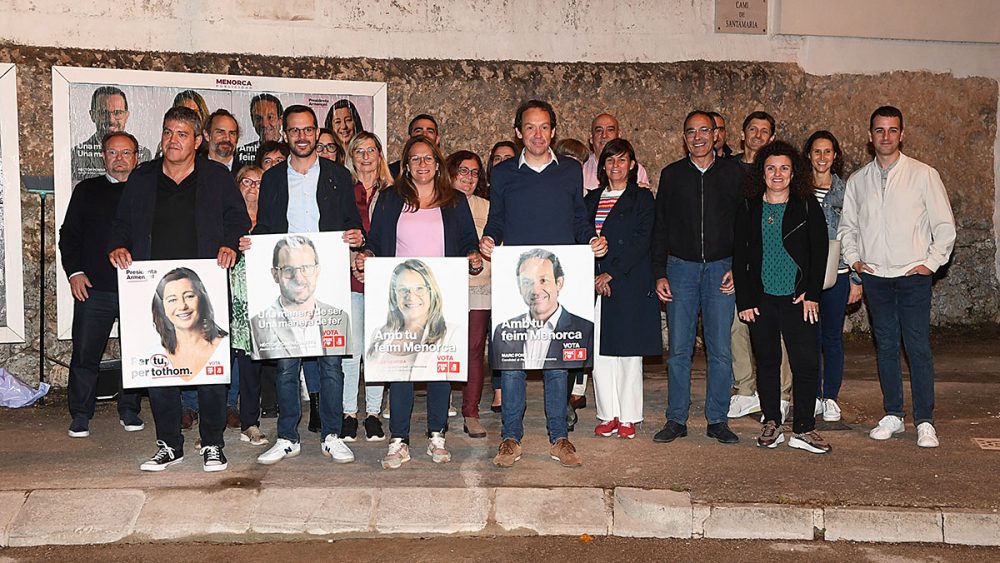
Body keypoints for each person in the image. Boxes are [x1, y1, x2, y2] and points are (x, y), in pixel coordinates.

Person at [109, 105, 250, 472]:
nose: (173, 140)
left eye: (182, 134)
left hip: (205, 285)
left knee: (210, 368)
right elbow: (121, 222)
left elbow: (237, 218)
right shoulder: (142, 178)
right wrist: (118, 246)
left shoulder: (217, 178)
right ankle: (169, 444)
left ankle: (214, 444)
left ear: (199, 141)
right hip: (153, 288)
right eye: (168, 132)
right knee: (160, 367)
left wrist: (231, 244)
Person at [481, 99, 608, 468]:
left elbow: (578, 220)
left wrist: (592, 239)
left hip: (556, 280)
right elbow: (497, 220)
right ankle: (510, 438)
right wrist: (489, 238)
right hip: (516, 283)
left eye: (544, 127)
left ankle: (559, 437)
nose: (537, 134)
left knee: (557, 362)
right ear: (518, 132)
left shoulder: (570, 171)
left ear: (553, 131)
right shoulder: (504, 174)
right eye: (529, 127)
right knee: (513, 361)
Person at [356, 135, 482, 469]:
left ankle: (437, 435)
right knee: (402, 366)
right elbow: (377, 242)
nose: (422, 165)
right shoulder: (390, 199)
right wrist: (366, 255)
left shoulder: (454, 199)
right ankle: (399, 439)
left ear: (438, 164)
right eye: (415, 159)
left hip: (442, 294)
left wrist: (473, 255)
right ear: (406, 165)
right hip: (402, 296)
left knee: (439, 366)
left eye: (428, 159)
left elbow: (470, 241)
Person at [252, 104, 365, 466]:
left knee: (331, 363)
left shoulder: (337, 176)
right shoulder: (271, 179)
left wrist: (356, 235)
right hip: (286, 284)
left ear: (317, 133)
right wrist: (250, 243)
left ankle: (332, 435)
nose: (302, 136)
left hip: (327, 279)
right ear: (285, 135)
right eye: (295, 130)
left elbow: (353, 224)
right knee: (287, 365)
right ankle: (287, 437)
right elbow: (266, 230)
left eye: (308, 130)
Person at [839, 106, 956, 448]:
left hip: (912, 276)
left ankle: (924, 420)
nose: (886, 136)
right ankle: (893, 414)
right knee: (886, 347)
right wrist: (856, 261)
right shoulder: (859, 180)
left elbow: (944, 226)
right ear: (870, 135)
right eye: (879, 130)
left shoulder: (923, 175)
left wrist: (931, 263)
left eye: (892, 130)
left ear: (901, 134)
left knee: (917, 347)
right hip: (876, 277)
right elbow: (849, 227)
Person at [650, 110, 743, 446]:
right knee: (678, 349)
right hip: (681, 269)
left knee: (720, 349)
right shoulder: (672, 175)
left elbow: (746, 226)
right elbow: (660, 226)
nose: (699, 137)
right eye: (692, 131)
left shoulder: (734, 173)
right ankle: (676, 418)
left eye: (705, 130)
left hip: (722, 268)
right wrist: (659, 272)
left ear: (716, 134)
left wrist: (740, 267)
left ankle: (717, 418)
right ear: (684, 137)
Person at [733, 140, 831, 454]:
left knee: (805, 364)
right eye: (771, 168)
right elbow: (740, 256)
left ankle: (803, 428)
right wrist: (745, 301)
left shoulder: (805, 203)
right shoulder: (749, 205)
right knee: (768, 363)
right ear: (761, 172)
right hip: (762, 300)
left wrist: (812, 293)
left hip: (798, 299)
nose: (778, 174)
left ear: (793, 172)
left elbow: (820, 252)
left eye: (784, 168)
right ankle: (772, 422)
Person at [61, 131, 144, 438]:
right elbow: (69, 236)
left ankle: (129, 409)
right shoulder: (87, 190)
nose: (119, 158)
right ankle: (81, 413)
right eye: (113, 153)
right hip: (93, 287)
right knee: (85, 354)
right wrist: (75, 273)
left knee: (136, 353)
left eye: (126, 153)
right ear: (103, 156)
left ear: (137, 157)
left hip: (137, 287)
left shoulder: (148, 191)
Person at [584, 139, 660, 440]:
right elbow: (581, 237)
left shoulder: (642, 199)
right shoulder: (590, 200)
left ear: (632, 165)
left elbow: (642, 241)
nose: (616, 165)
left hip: (627, 282)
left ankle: (628, 416)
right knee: (601, 354)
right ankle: (608, 414)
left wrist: (611, 274)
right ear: (602, 165)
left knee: (628, 354)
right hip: (595, 284)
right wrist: (593, 275)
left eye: (622, 160)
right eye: (610, 160)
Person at [727, 110, 792, 422]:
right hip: (741, 263)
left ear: (772, 137)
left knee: (778, 331)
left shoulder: (778, 172)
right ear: (742, 135)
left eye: (764, 131)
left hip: (776, 266)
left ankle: (780, 394)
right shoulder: (728, 170)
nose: (757, 135)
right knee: (738, 326)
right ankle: (745, 390)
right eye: (752, 129)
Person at [804, 130, 863, 423]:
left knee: (832, 338)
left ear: (835, 156)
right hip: (807, 276)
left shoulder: (847, 190)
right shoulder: (798, 190)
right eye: (817, 151)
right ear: (809, 155)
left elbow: (855, 233)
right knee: (809, 338)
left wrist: (855, 278)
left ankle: (831, 398)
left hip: (838, 273)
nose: (822, 157)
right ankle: (813, 395)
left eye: (828, 151)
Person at [340, 131, 393, 442]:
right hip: (350, 276)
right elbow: (336, 230)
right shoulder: (343, 189)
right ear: (351, 156)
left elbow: (397, 236)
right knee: (352, 349)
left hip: (383, 277)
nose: (365, 156)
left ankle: (373, 412)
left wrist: (375, 266)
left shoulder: (395, 192)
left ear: (379, 154)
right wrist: (353, 263)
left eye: (371, 150)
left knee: (377, 348)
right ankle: (349, 412)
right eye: (358, 150)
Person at [447, 150, 492, 438]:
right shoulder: (437, 204)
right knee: (441, 346)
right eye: (463, 171)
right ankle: (439, 411)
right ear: (450, 173)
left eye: (475, 172)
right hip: (444, 287)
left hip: (479, 285)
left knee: (474, 349)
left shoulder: (488, 207)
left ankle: (471, 411)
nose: (469, 177)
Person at [491, 248, 595, 369]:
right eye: (527, 282)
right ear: (519, 288)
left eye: (543, 280)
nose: (536, 290)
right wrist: (498, 385)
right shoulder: (503, 332)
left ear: (559, 283)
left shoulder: (584, 330)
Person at [249, 235, 350, 359]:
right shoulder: (258, 325)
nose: (298, 279)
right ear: (275, 274)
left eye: (306, 268)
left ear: (317, 271)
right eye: (288, 269)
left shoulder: (341, 319)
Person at [365, 260, 462, 381]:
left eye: (419, 288)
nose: (410, 296)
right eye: (403, 289)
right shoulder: (379, 334)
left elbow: (455, 376)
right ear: (394, 294)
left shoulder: (452, 334)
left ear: (432, 292)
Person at [229, 165, 268, 445]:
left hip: (262, 302)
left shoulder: (273, 220)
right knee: (220, 367)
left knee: (252, 367)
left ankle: (250, 423)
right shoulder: (226, 219)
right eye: (247, 181)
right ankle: (213, 425)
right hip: (229, 300)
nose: (253, 187)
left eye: (259, 182)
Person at [485, 140, 517, 413]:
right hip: (489, 277)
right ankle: (498, 388)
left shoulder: (522, 193)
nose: (504, 163)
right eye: (498, 158)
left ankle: (506, 392)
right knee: (496, 334)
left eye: (510, 157)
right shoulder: (486, 198)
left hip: (515, 275)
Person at [150, 268, 228, 378]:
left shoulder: (224, 347)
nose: (182, 306)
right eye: (172, 300)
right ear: (163, 308)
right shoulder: (153, 354)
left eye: (189, 296)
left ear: (202, 300)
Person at [71, 86, 151, 184]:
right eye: (103, 113)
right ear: (92, 115)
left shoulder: (145, 156)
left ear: (126, 116)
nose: (111, 120)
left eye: (117, 113)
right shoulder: (75, 155)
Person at [581, 113, 650, 192]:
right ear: (591, 138)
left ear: (619, 135)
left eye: (610, 130)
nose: (604, 135)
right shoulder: (581, 169)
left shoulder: (636, 170)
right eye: (599, 130)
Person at [235, 93, 283, 168]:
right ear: (252, 121)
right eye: (258, 118)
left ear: (280, 120)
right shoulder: (242, 154)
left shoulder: (292, 150)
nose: (264, 124)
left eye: (270, 117)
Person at [388, 114, 440, 178]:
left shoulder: (449, 170)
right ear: (409, 139)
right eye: (418, 131)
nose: (424, 134)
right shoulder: (392, 172)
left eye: (430, 131)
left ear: (437, 140)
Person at [205, 109, 242, 175]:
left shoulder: (246, 175)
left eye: (232, 133)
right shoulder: (194, 171)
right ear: (207, 135)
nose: (227, 138)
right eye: (220, 132)